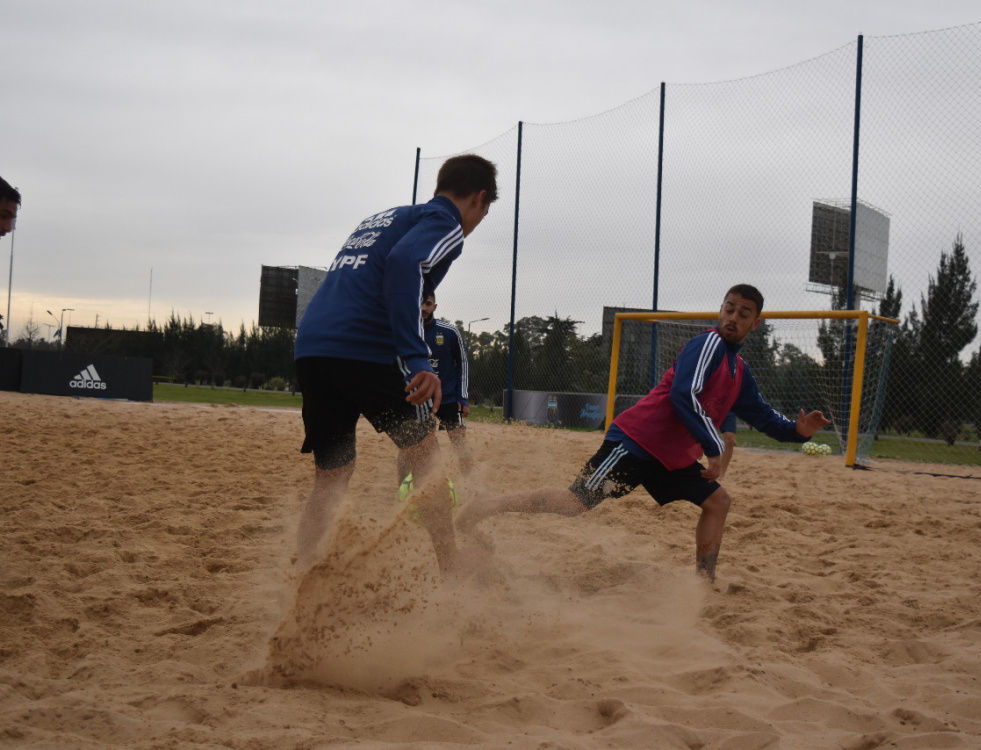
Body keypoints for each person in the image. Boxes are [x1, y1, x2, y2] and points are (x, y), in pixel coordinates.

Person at [457, 284, 831, 583]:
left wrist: (797, 431)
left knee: (718, 502)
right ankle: (487, 505)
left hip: (669, 459)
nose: (733, 317)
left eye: (743, 313)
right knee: (575, 503)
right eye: (728, 308)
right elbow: (683, 394)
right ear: (720, 310)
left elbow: (763, 416)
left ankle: (704, 582)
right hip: (636, 443)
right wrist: (713, 446)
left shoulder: (740, 370)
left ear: (756, 323)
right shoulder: (708, 344)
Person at [293, 154, 498, 577]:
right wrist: (418, 357)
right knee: (428, 459)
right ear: (479, 198)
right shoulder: (446, 223)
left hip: (313, 348)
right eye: (485, 211)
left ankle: (302, 571)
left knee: (332, 475)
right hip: (364, 350)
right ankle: (451, 566)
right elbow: (405, 264)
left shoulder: (384, 218)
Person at [397, 292, 474, 484]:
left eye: (428, 304)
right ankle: (403, 487)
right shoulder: (406, 331)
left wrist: (462, 398)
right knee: (408, 446)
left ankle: (473, 487)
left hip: (448, 398)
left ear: (435, 307)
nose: (424, 308)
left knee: (459, 442)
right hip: (419, 399)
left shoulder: (449, 332)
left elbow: (462, 364)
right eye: (420, 303)